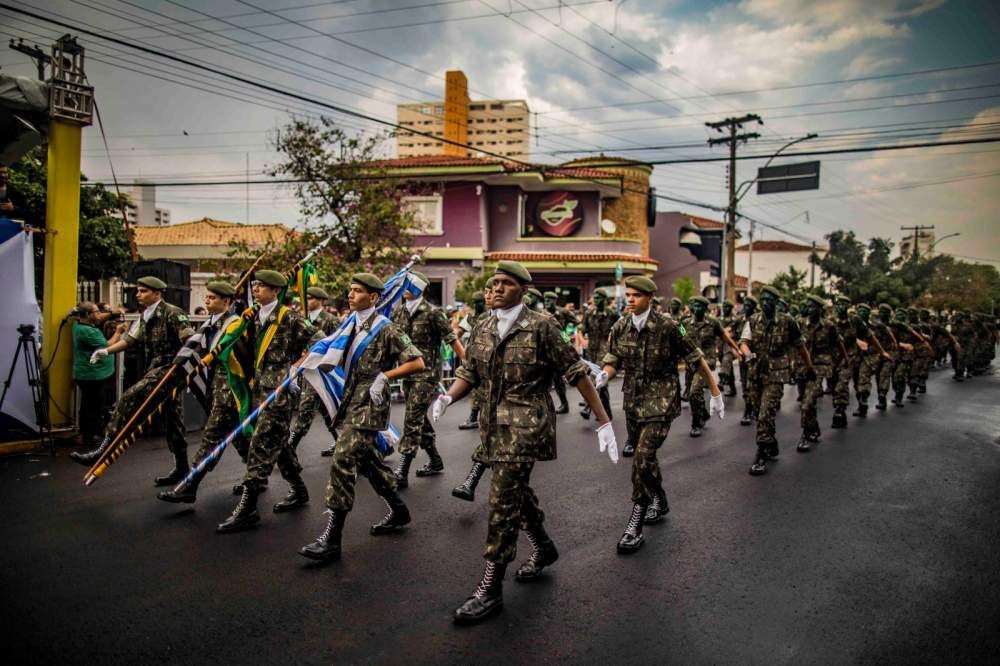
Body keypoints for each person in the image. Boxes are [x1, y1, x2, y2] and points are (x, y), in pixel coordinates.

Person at [429, 261, 617, 624]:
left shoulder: (543, 326)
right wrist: (448, 397)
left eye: (506, 283)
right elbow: (469, 371)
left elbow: (576, 372)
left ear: (523, 291)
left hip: (527, 425)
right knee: (517, 494)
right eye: (494, 282)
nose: (496, 288)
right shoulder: (483, 322)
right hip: (492, 426)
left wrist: (603, 421)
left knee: (501, 499)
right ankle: (544, 548)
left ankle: (490, 587)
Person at [299, 273, 425, 562]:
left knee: (342, 460)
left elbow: (417, 362)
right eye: (350, 289)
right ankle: (398, 509)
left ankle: (331, 537)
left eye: (358, 291)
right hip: (350, 400)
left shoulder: (387, 329)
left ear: (374, 297)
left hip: (370, 404)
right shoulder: (349, 324)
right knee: (368, 462)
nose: (351, 294)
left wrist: (386, 375)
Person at [600, 276, 722, 553]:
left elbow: (696, 357)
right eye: (628, 295)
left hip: (662, 401)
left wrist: (715, 392)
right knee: (648, 459)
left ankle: (635, 523)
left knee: (641, 458)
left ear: (650, 298)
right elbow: (612, 359)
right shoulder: (621, 326)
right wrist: (604, 377)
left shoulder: (669, 326)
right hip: (633, 402)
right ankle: (660, 499)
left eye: (636, 295)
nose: (630, 300)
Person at [217, 269, 318, 534]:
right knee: (279, 443)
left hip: (279, 392)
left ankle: (248, 508)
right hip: (260, 388)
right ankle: (299, 489)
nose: (256, 290)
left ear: (275, 291)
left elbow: (319, 341)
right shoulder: (253, 317)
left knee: (260, 443)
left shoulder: (289, 317)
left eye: (262, 286)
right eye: (255, 286)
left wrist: (295, 367)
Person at [71, 276, 196, 487]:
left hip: (168, 371)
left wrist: (182, 366)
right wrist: (105, 351)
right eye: (138, 291)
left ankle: (103, 450)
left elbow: (190, 341)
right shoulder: (145, 315)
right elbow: (130, 340)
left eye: (143, 291)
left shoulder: (173, 313)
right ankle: (182, 468)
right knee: (173, 422)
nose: (138, 295)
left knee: (128, 397)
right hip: (155, 370)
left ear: (157, 294)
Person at [157, 281, 251, 504]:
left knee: (210, 437)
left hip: (229, 390)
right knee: (239, 438)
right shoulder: (211, 324)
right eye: (206, 297)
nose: (207, 300)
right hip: (214, 389)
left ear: (226, 301)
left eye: (212, 298)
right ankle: (259, 474)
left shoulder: (234, 324)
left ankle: (189, 486)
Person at [391, 270, 465, 488]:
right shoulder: (399, 313)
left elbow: (451, 339)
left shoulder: (433, 313)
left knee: (412, 417)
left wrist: (468, 365)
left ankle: (402, 470)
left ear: (420, 289)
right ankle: (434, 460)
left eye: (409, 284)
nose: (405, 288)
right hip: (407, 373)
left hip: (427, 374)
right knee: (419, 419)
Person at [739, 286, 816, 476]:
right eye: (762, 300)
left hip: (776, 373)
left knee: (766, 413)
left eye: (769, 300)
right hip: (755, 371)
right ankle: (771, 442)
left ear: (776, 303)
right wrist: (747, 354)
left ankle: (762, 453)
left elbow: (800, 346)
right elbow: (743, 342)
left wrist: (809, 367)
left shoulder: (787, 321)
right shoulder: (752, 320)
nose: (765, 303)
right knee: (759, 413)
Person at [288, 286, 342, 457]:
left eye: (311, 298)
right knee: (327, 412)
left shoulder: (330, 320)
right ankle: (341, 443)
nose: (307, 301)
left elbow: (339, 344)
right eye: (306, 298)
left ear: (320, 300)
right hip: (306, 370)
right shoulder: (300, 319)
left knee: (306, 407)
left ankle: (290, 448)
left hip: (323, 371)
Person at [683, 296, 741, 438]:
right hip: (690, 363)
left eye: (700, 306)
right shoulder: (684, 323)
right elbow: (679, 337)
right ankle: (703, 413)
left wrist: (737, 349)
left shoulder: (713, 323)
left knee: (694, 391)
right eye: (695, 306)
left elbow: (725, 337)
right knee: (692, 394)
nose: (696, 309)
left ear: (705, 308)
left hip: (706, 363)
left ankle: (696, 424)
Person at [71, 301, 125, 448]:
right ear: (88, 315)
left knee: (90, 404)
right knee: (93, 406)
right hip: (92, 375)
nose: (99, 315)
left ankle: (89, 433)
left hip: (90, 374)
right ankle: (90, 436)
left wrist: (113, 313)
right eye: (96, 312)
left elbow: (100, 318)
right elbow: (109, 345)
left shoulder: (79, 325)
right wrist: (118, 332)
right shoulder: (88, 332)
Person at [798, 295, 846, 450]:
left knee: (807, 403)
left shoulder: (829, 326)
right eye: (808, 306)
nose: (809, 309)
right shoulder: (801, 323)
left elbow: (838, 344)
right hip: (804, 364)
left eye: (813, 307)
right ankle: (814, 427)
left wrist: (845, 360)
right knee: (808, 399)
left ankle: (805, 434)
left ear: (820, 310)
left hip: (820, 365)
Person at [459, 280, 494, 430]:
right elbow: (458, 333)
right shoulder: (473, 318)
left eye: (479, 302)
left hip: (491, 359)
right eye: (476, 302)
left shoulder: (488, 316)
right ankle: (474, 417)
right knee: (478, 388)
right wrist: (464, 355)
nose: (478, 304)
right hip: (477, 358)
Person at [578, 289, 618, 421]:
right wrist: (582, 340)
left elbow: (619, 329)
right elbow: (581, 329)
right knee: (599, 381)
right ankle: (607, 412)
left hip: (605, 350)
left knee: (599, 379)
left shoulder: (612, 314)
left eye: (599, 298)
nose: (596, 300)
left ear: (604, 299)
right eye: (594, 298)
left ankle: (589, 407)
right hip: (592, 350)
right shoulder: (589, 313)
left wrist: (613, 341)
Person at [543, 291, 576, 413]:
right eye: (545, 300)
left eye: (549, 300)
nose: (547, 302)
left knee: (558, 379)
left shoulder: (562, 312)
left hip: (560, 345)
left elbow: (576, 322)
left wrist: (568, 335)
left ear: (555, 301)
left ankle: (564, 404)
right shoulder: (541, 313)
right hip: (545, 347)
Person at [718, 300, 739, 397]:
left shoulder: (735, 319)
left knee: (726, 361)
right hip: (720, 346)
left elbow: (735, 332)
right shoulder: (684, 321)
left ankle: (722, 381)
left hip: (730, 345)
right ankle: (732, 388)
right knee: (728, 368)